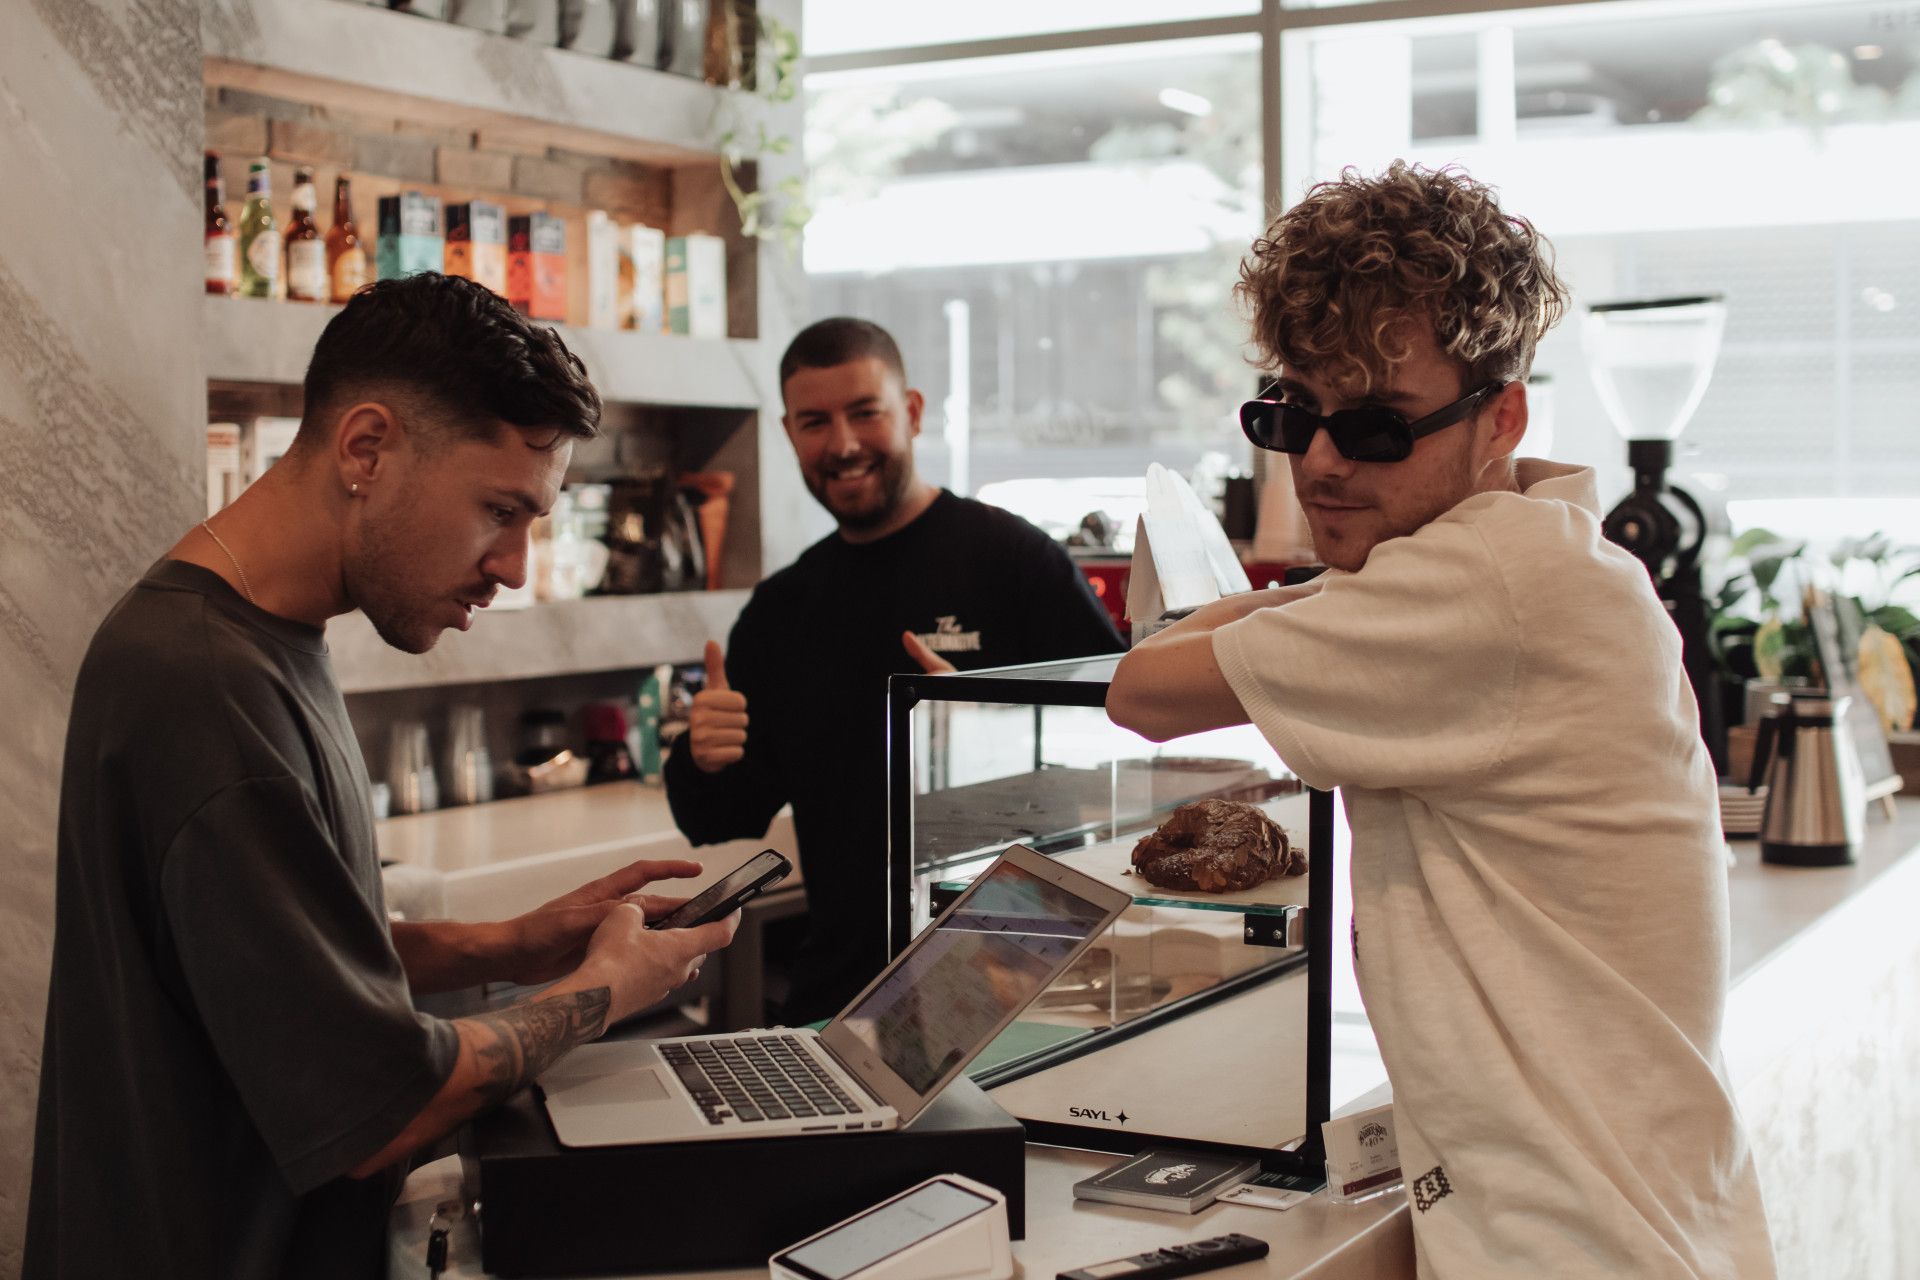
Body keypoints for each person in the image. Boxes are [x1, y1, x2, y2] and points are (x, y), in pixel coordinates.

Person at [1106, 164, 1775, 1277]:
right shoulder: (1542, 551)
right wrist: (1288, 601)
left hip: (1577, 1243)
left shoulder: (1490, 589)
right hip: (1621, 1213)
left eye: (1377, 428)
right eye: (1296, 416)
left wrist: (1236, 610)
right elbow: (1249, 626)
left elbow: (1143, 690)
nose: (1321, 462)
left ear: (1501, 415)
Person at [26, 274, 738, 1279]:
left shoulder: (247, 635)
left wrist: (511, 940)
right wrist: (603, 989)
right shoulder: (203, 681)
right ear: (366, 448)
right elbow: (384, 1106)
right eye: (500, 509)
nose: (516, 566)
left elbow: (269, 956)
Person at [664, 317, 1124, 1023]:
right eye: (815, 421)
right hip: (847, 994)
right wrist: (701, 757)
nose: (843, 444)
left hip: (1026, 982)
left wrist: (987, 724)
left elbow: (1119, 750)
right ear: (789, 433)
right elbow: (719, 817)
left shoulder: (1013, 560)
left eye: (864, 413)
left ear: (909, 412)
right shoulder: (782, 609)